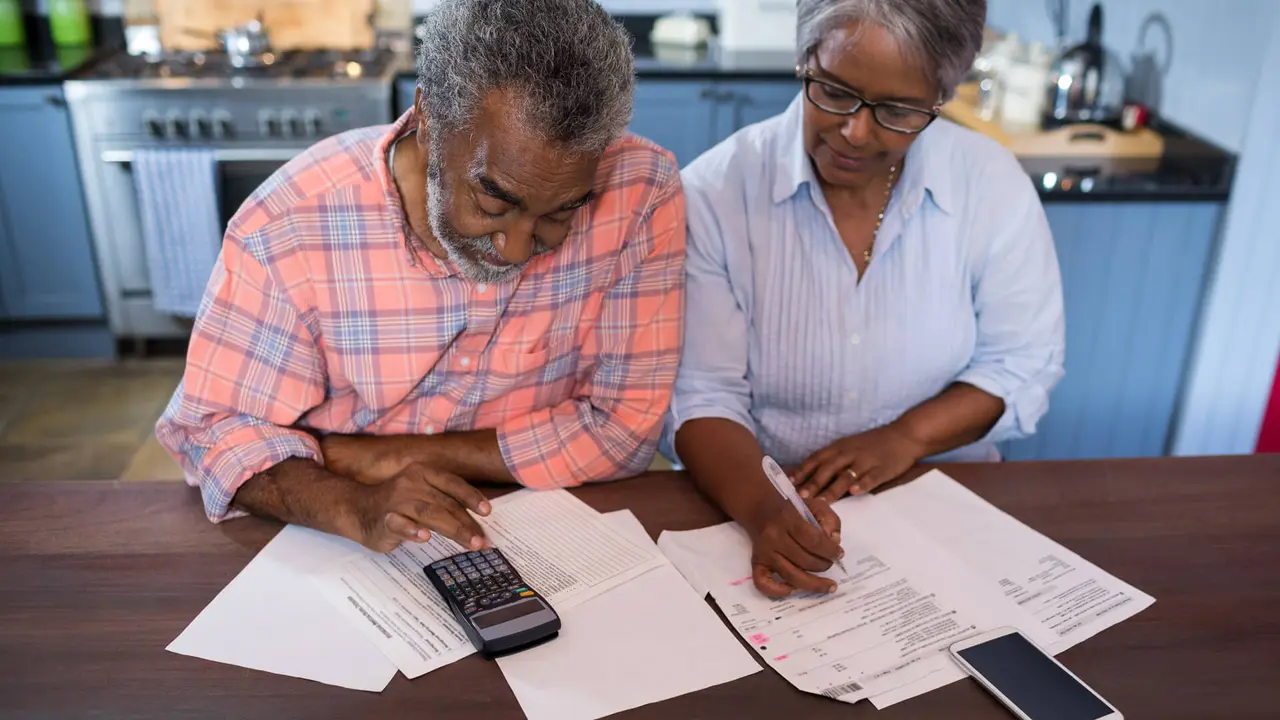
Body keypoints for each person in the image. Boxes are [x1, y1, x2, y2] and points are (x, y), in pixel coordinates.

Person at [156, 0, 685, 554]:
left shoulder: (640, 192)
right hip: (333, 537)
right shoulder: (291, 222)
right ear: (429, 119)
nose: (516, 247)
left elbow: (624, 429)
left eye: (560, 213)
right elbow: (215, 433)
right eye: (493, 199)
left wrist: (381, 457)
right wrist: (351, 503)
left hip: (541, 531)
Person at [668, 0, 1064, 598]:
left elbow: (1022, 362)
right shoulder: (715, 193)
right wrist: (763, 510)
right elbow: (702, 393)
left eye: (898, 111)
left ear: (942, 95)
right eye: (833, 91)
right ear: (806, 59)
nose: (855, 131)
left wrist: (906, 437)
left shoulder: (990, 182)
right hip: (759, 503)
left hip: (944, 502)